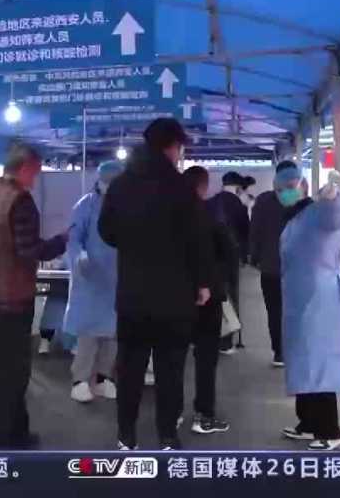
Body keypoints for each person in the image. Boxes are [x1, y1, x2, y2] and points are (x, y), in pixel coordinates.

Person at [98, 118, 212, 451]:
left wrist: (132, 243)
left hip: (132, 295)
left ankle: (126, 435)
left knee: (130, 368)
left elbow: (106, 231)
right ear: (171, 147)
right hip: (174, 296)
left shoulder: (121, 185)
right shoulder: (181, 188)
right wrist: (202, 283)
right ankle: (167, 436)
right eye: (179, 148)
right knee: (170, 370)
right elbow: (198, 240)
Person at [0, 144, 68, 449]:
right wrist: (61, 241)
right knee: (12, 378)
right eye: (35, 173)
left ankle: (18, 434)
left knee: (8, 372)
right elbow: (30, 251)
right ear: (25, 168)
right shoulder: (20, 201)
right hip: (12, 302)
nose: (35, 180)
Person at [277, 169, 340, 451]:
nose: (284, 192)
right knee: (303, 364)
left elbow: (336, 217)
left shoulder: (318, 212)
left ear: (304, 186)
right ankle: (307, 422)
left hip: (319, 302)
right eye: (279, 188)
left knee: (319, 365)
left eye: (289, 186)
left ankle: (330, 430)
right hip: (299, 301)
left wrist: (333, 196)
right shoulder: (295, 219)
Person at [64, 160, 124, 403]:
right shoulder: (85, 205)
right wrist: (79, 256)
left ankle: (103, 378)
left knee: (113, 334)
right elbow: (73, 238)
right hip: (90, 277)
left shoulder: (126, 206)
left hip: (118, 279)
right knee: (88, 334)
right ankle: (79, 380)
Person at [182, 166, 233, 435]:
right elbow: (229, 251)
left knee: (172, 357)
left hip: (173, 297)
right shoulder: (210, 215)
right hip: (208, 297)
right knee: (205, 358)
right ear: (203, 187)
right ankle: (203, 415)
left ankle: (171, 413)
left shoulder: (167, 217)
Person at [250, 161, 299, 368]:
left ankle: (279, 352)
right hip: (297, 269)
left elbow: (255, 231)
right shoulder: (300, 201)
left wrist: (255, 256)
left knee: (274, 310)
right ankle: (293, 350)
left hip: (270, 267)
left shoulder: (263, 201)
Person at [208, 172, 248, 353]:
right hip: (231, 256)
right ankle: (226, 341)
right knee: (230, 296)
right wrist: (245, 256)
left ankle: (209, 336)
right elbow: (245, 232)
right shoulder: (238, 204)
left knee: (214, 295)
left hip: (211, 257)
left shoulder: (211, 202)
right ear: (238, 188)